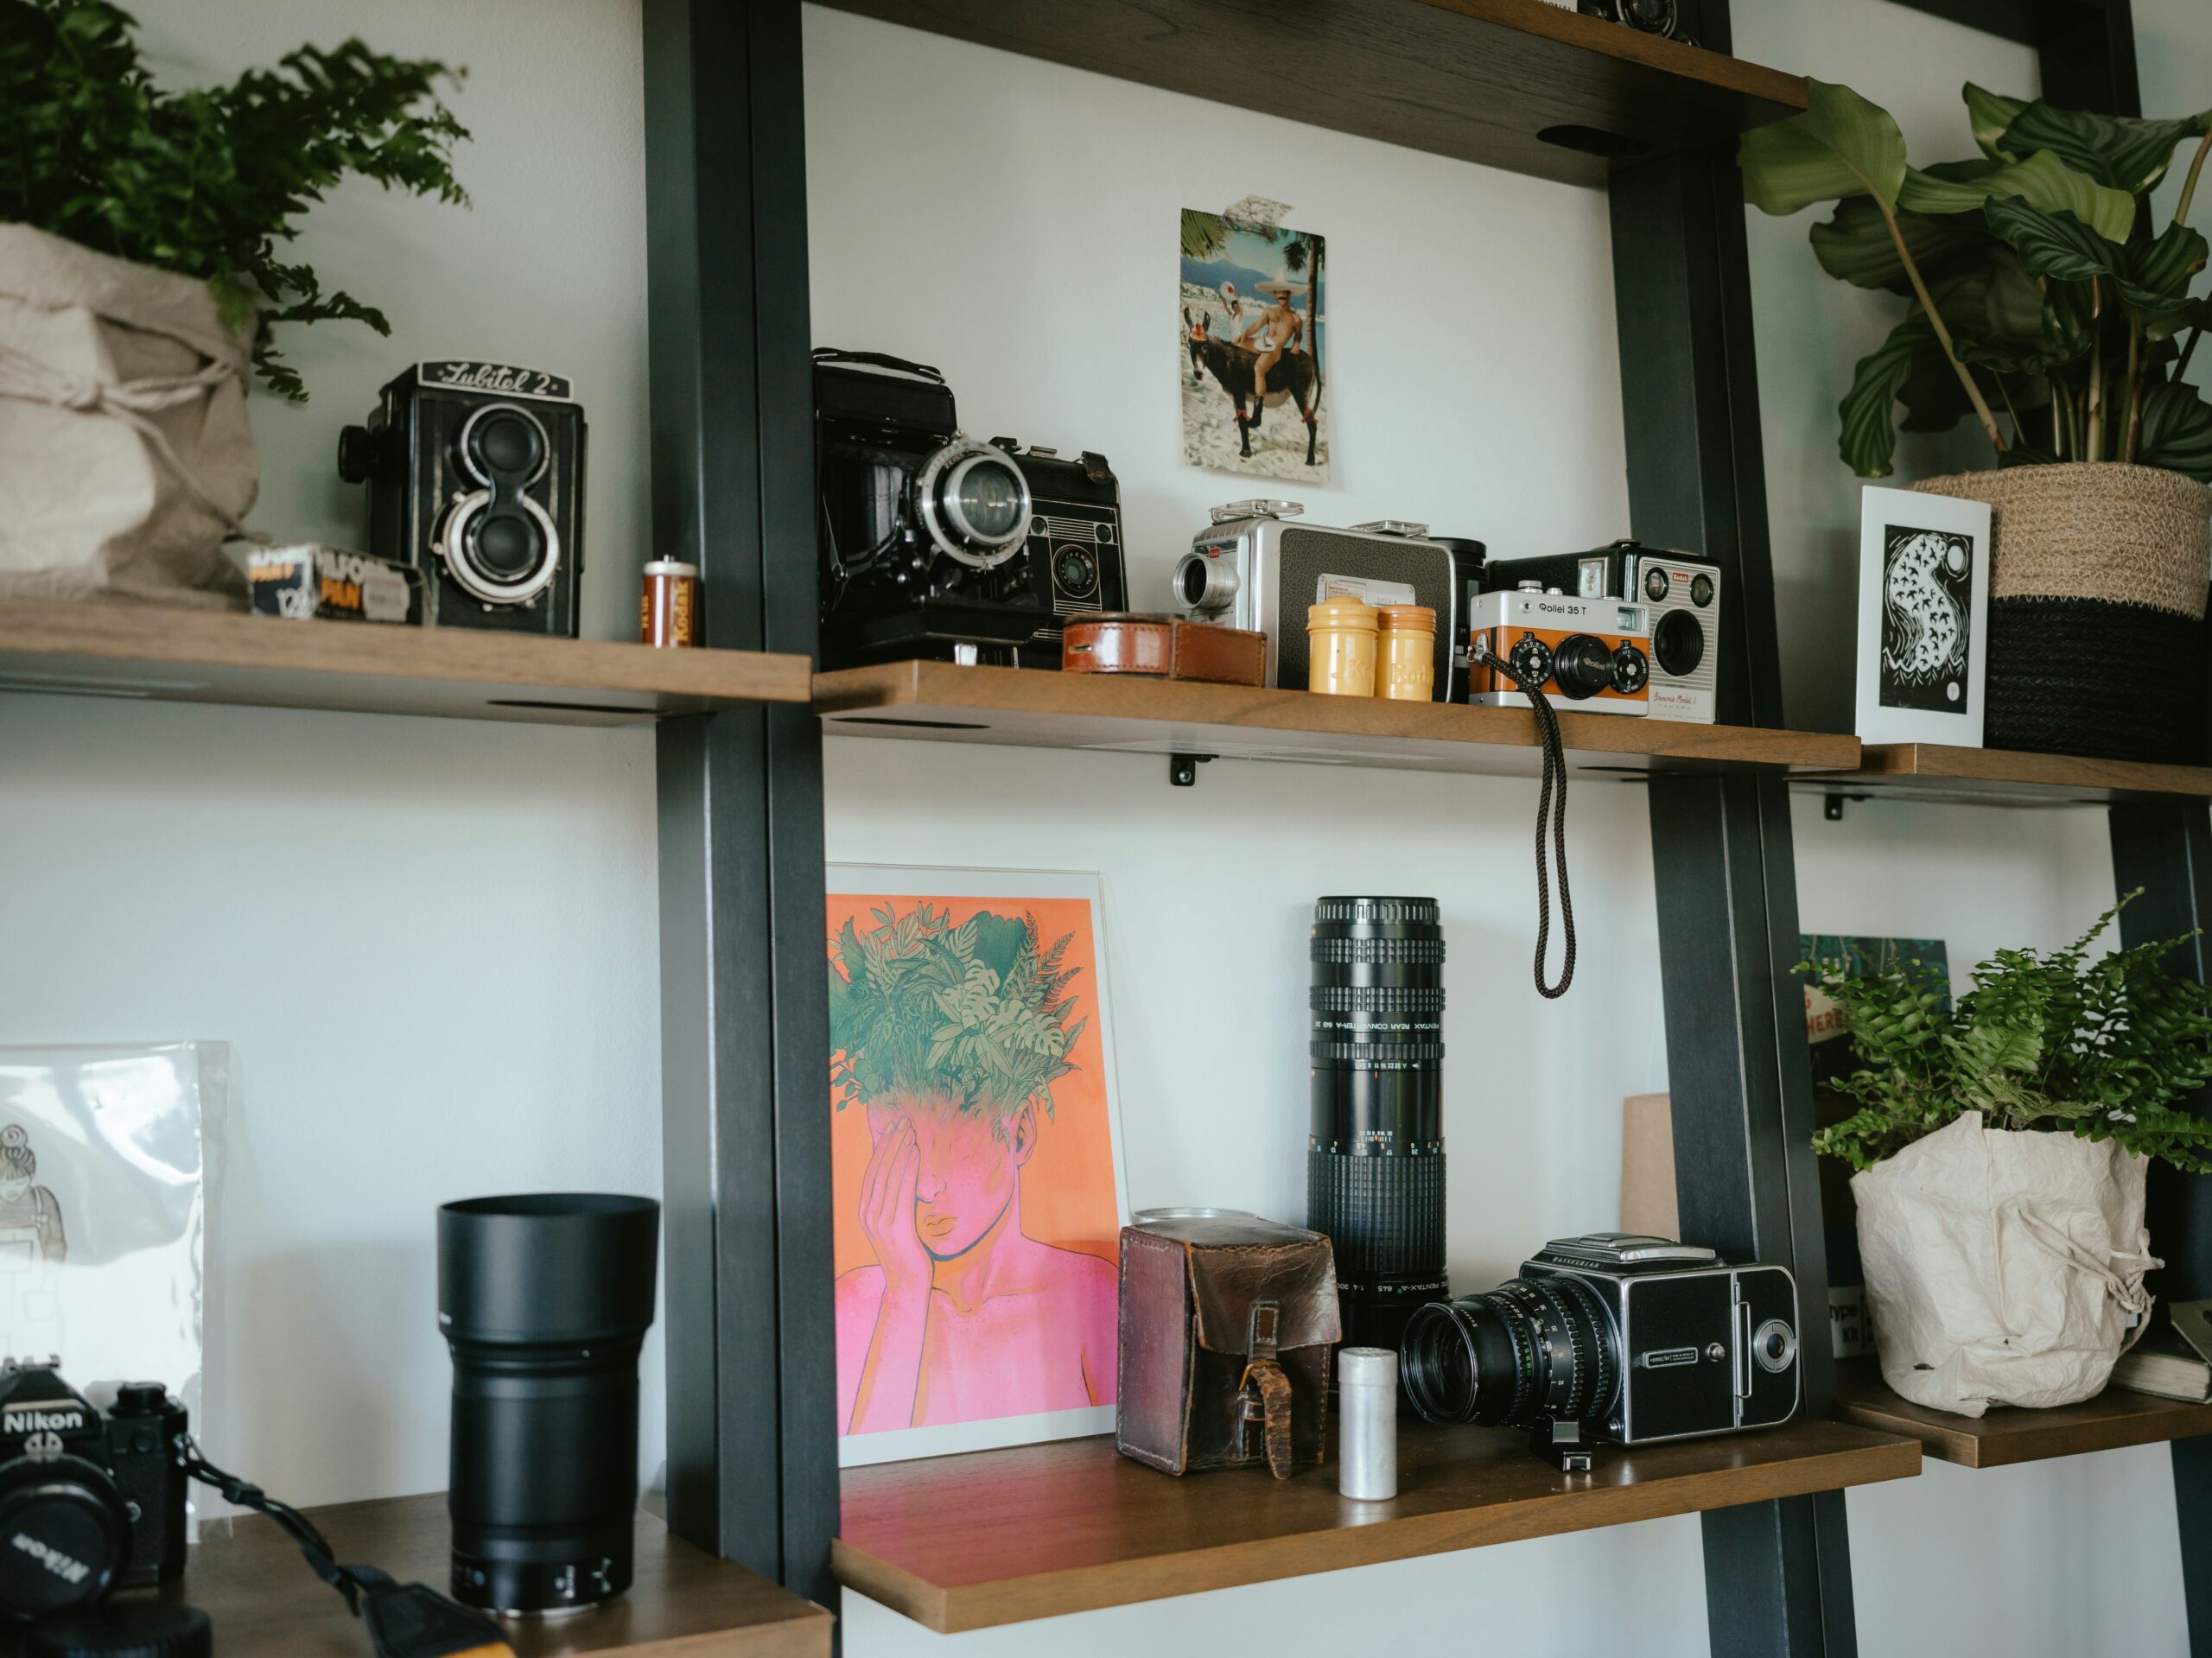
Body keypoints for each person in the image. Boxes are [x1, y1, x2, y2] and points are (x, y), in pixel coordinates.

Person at [829, 905, 1117, 1436]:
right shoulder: (852, 1307)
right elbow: (864, 1486)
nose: (927, 1184)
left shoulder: (1090, 1296)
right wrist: (906, 1294)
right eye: (906, 1142)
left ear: (1021, 1132)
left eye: (955, 1145)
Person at [1237, 280, 1304, 423]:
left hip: (1275, 348)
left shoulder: (1296, 319)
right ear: (1275, 295)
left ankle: (1257, 416)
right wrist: (1246, 333)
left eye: (1284, 292)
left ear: (1289, 295)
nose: (1281, 294)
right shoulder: (1269, 311)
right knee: (1236, 344)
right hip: (1262, 342)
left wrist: (1296, 344)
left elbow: (1298, 335)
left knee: (1259, 368)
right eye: (1278, 292)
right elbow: (1257, 325)